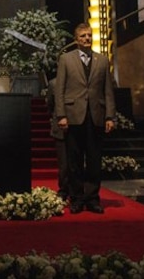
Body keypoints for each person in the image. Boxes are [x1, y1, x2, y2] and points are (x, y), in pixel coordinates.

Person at [54, 23, 116, 214]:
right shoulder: (66, 59)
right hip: (73, 117)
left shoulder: (103, 60)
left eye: (89, 35)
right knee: (74, 161)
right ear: (76, 39)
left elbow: (108, 91)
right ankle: (77, 198)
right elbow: (59, 90)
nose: (87, 39)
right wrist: (61, 115)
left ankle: (92, 199)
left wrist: (110, 116)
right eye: (83, 36)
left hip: (96, 116)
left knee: (94, 160)